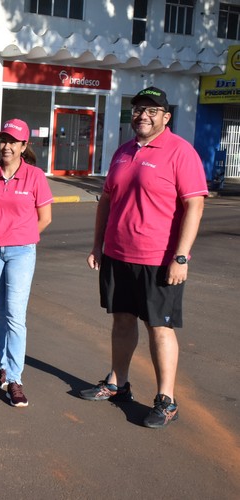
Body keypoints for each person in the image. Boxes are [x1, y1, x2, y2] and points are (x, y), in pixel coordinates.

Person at [80, 87, 208, 429]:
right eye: (138, 109)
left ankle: (166, 399)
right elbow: (107, 200)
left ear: (166, 117)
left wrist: (180, 257)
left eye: (152, 110)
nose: (143, 115)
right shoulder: (122, 152)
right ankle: (118, 383)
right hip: (118, 254)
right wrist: (97, 245)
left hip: (158, 257)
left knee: (160, 328)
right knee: (121, 321)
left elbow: (194, 205)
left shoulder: (181, 152)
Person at [0, 118, 53, 407]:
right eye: (3, 140)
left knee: (15, 316)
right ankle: (3, 367)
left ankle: (16, 379)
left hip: (21, 251)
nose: (6, 146)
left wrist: (22, 236)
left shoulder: (34, 176)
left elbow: (45, 218)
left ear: (23, 146)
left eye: (12, 141)